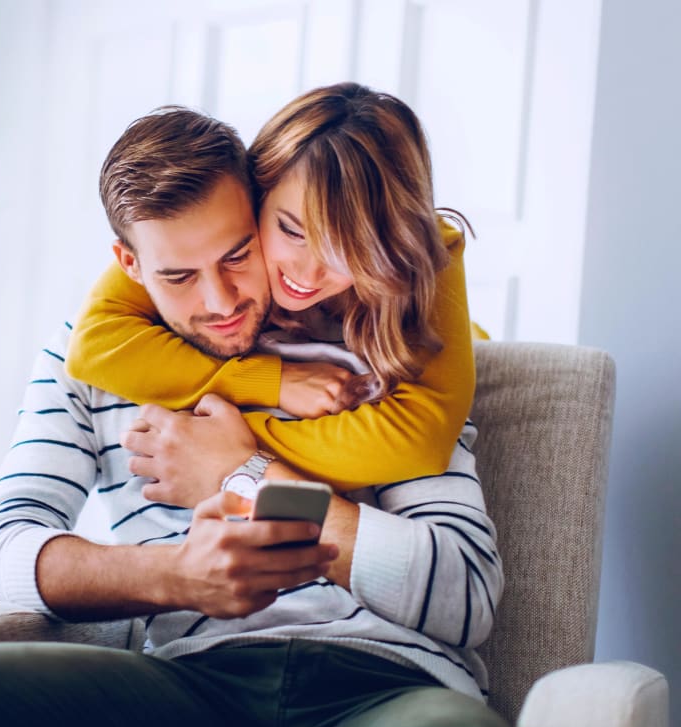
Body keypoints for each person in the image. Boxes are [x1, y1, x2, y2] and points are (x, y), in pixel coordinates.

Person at [0, 103, 516, 727]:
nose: (222, 302)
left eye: (237, 256)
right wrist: (173, 575)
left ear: (258, 212)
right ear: (130, 264)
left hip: (386, 684)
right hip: (192, 683)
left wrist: (246, 475)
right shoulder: (87, 360)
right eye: (179, 276)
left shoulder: (383, 346)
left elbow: (465, 597)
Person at [65, 82, 477, 497]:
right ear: (259, 190)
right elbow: (93, 345)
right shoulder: (199, 229)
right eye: (291, 231)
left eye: (349, 251)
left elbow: (420, 440)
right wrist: (270, 382)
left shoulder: (422, 249)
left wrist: (227, 450)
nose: (309, 274)